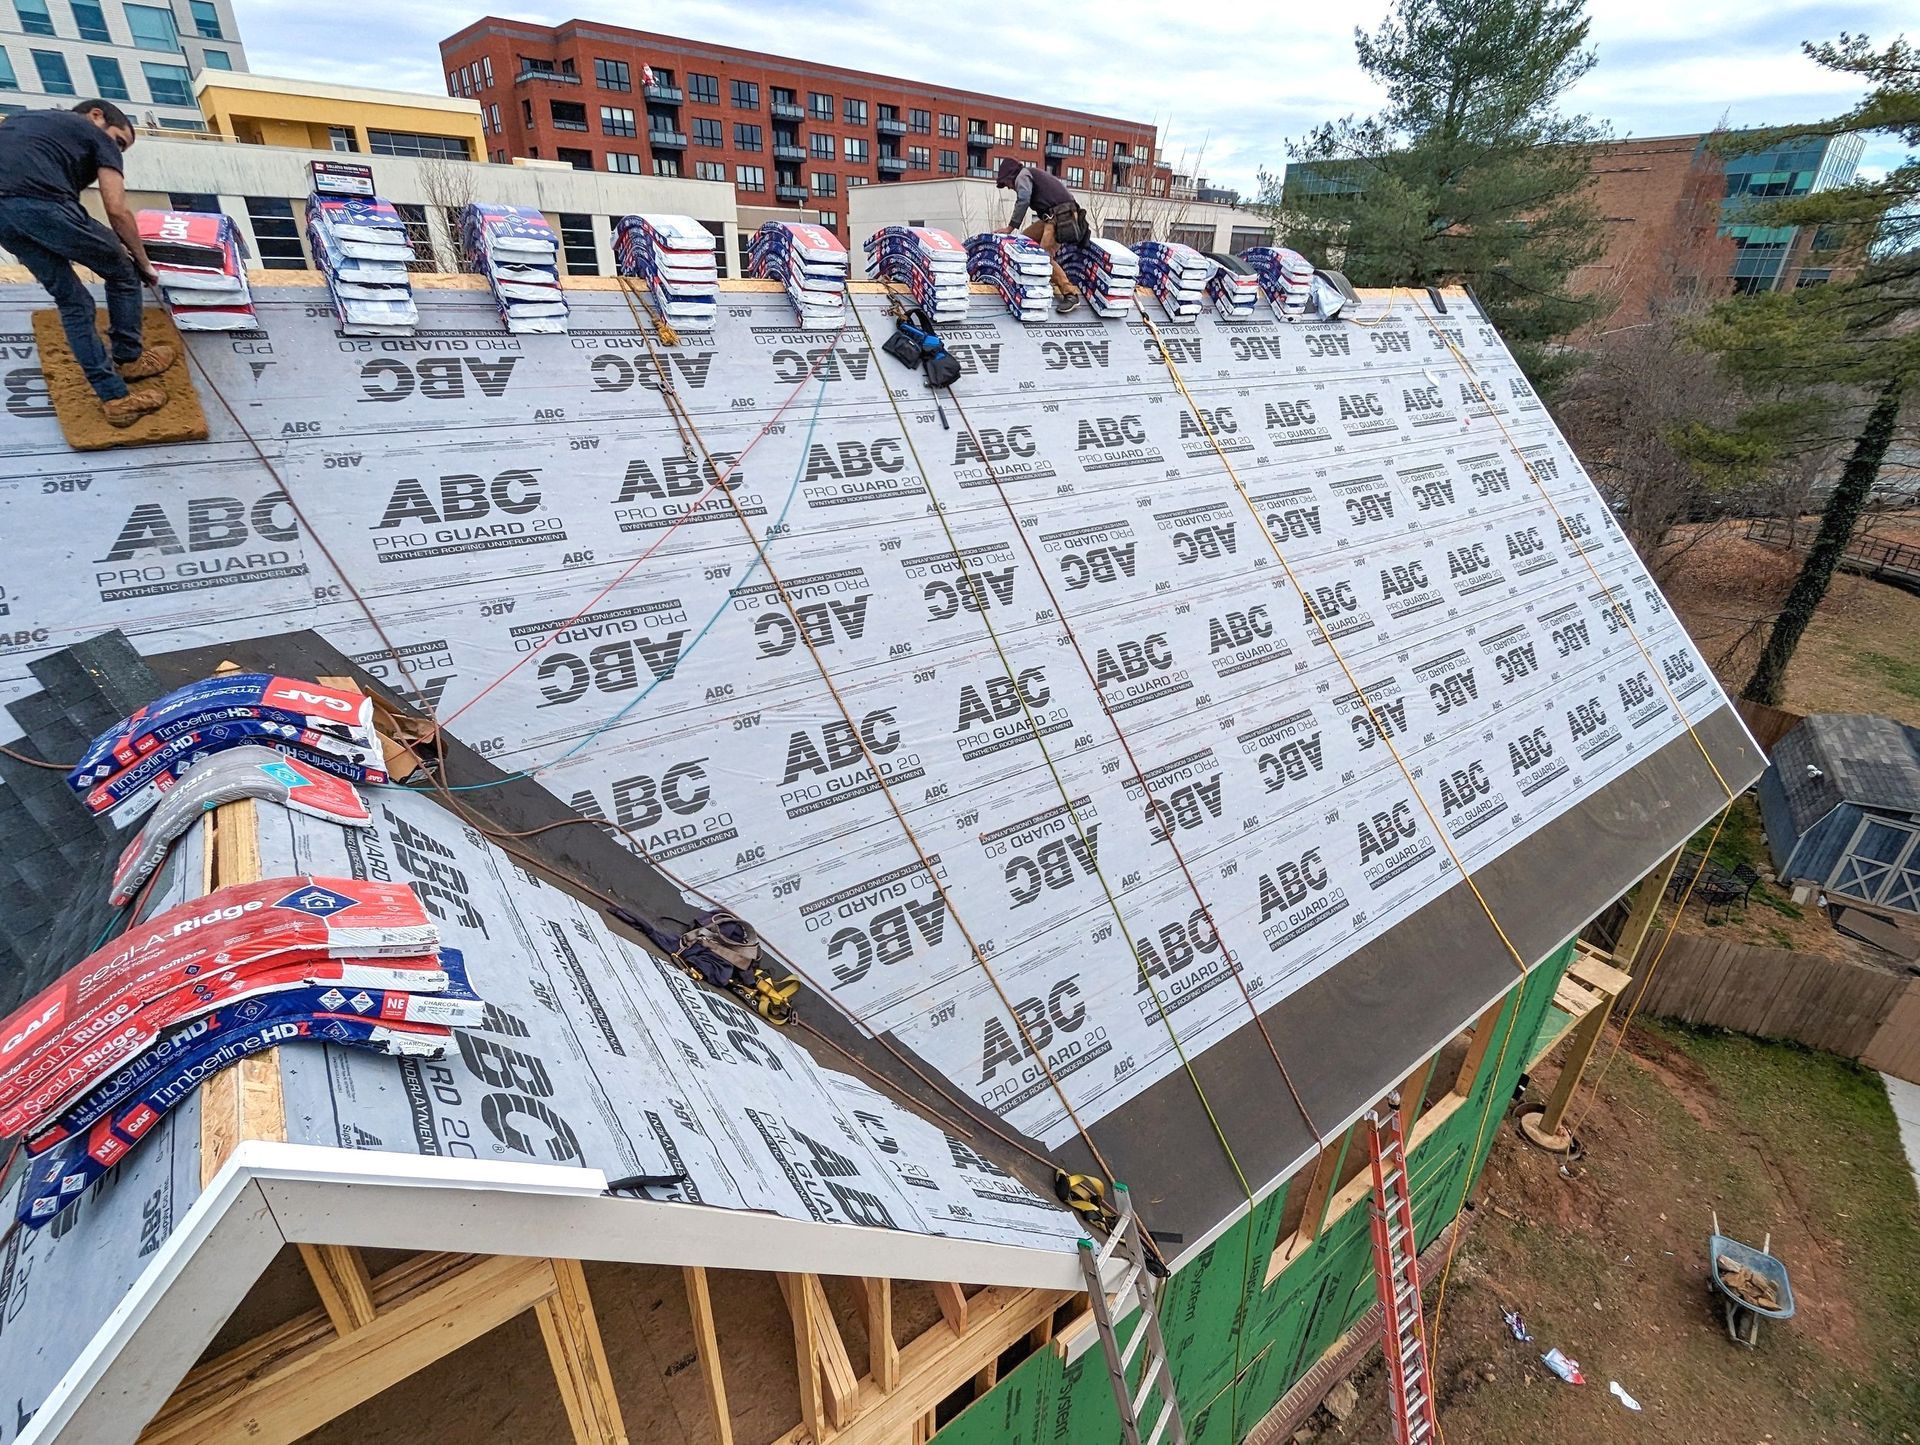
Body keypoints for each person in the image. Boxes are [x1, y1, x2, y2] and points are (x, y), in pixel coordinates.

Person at [0, 100, 174, 426]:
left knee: (74, 302)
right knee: (123, 271)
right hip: (44, 204)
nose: (117, 148)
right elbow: (117, 209)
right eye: (120, 141)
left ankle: (115, 400)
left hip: (5, 221)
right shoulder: (94, 135)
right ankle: (129, 359)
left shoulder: (21, 122)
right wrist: (143, 262)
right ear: (97, 116)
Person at [997, 157, 1081, 314]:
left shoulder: (1023, 175)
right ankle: (1030, 281)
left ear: (1010, 176)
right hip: (1052, 215)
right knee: (1024, 242)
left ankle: (1070, 294)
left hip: (1061, 216)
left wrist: (1010, 227)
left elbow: (1023, 200)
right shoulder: (1030, 174)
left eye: (1006, 184)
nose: (1008, 188)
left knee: (1042, 257)